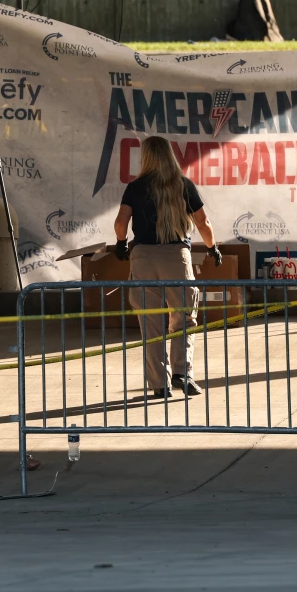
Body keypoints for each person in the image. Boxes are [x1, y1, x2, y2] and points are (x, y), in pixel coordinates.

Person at [113, 136, 222, 399]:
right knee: (184, 317)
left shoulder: (135, 187)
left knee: (150, 322)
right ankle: (183, 373)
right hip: (176, 256)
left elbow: (121, 222)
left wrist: (121, 243)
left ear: (146, 157)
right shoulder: (183, 185)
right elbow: (203, 222)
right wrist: (212, 248)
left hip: (143, 257)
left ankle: (160, 384)